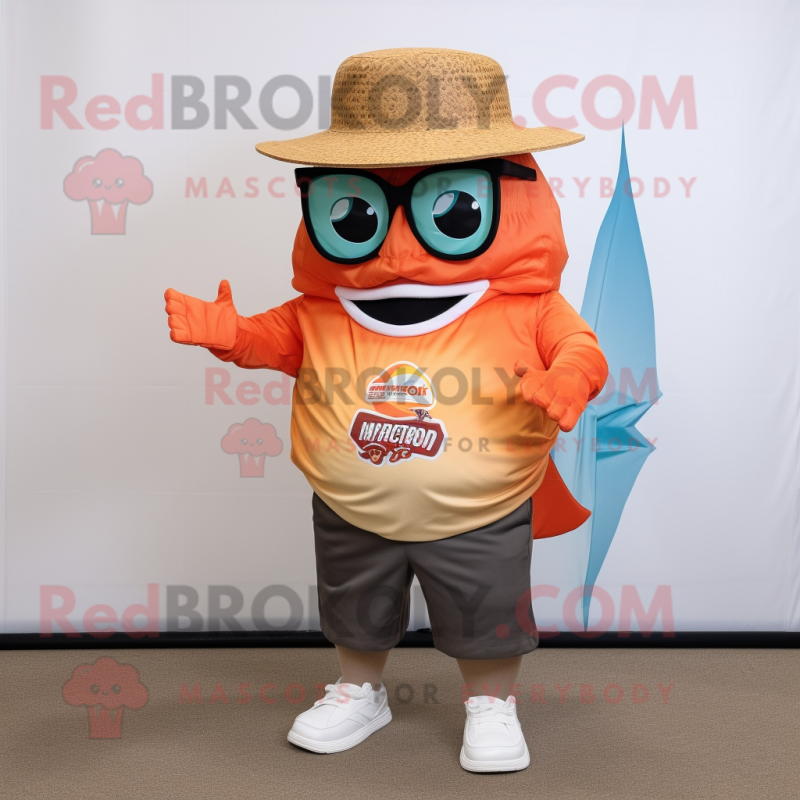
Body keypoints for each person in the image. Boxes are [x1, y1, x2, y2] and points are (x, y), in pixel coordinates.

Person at [165, 47, 607, 773]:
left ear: (514, 190)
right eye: (357, 210)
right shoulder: (323, 306)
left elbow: (579, 347)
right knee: (355, 606)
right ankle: (359, 690)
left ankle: (491, 703)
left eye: (453, 207)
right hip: (350, 505)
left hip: (483, 508)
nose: (399, 251)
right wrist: (232, 336)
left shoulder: (527, 304)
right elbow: (275, 339)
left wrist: (570, 379)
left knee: (485, 609)